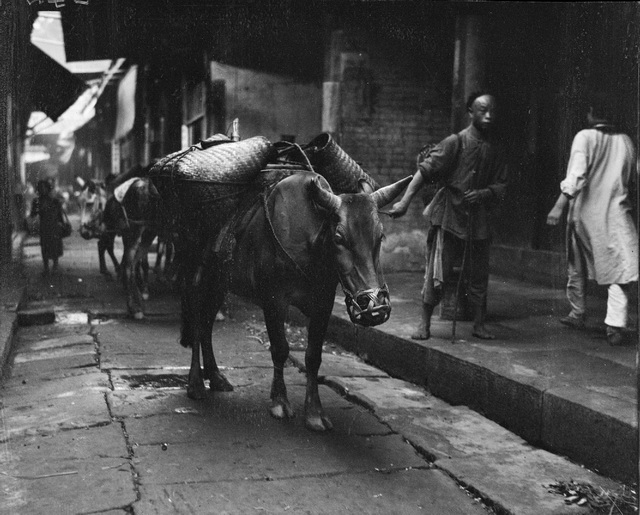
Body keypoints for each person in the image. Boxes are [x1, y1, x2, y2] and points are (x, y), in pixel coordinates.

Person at [389, 92, 508, 340]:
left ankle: (479, 324)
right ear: (470, 112)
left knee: (479, 277)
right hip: (449, 216)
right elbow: (424, 171)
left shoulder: (496, 149)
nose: (488, 116)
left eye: (492, 112)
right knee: (437, 271)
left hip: (479, 220)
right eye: (482, 110)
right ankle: (424, 324)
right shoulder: (456, 142)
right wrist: (404, 201)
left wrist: (485, 193)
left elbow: (502, 185)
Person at [546, 93, 638, 346]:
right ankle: (614, 325)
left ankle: (578, 312)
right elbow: (632, 176)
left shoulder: (584, 137)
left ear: (590, 113)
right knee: (620, 268)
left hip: (584, 213)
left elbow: (576, 175)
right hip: (616, 213)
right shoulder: (626, 141)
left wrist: (558, 207)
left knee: (576, 264)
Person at [30, 179, 66, 275]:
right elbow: (33, 214)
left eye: (44, 188)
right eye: (40, 188)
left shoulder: (54, 200)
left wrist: (61, 223)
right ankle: (46, 267)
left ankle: (55, 265)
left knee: (55, 246)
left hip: (54, 227)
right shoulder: (36, 201)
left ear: (47, 188)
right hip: (44, 227)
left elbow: (59, 214)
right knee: (44, 247)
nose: (42, 190)